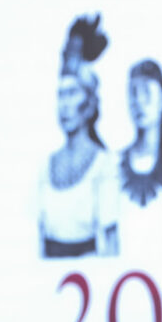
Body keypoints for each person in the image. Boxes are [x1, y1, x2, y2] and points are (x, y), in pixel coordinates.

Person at [38, 13, 118, 257]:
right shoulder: (46, 166)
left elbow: (111, 246)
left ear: (89, 101)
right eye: (61, 95)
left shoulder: (105, 165)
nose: (65, 105)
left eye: (72, 94)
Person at [109, 59, 162, 257]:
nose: (139, 101)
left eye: (147, 93)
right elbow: (106, 240)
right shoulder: (112, 167)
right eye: (133, 92)